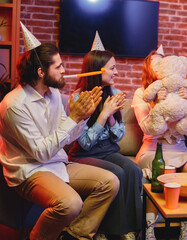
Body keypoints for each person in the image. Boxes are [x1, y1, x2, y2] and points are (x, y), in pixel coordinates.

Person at [0, 42, 119, 240]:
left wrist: (82, 118)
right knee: (71, 203)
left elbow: (65, 138)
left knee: (110, 182)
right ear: (41, 71)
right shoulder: (14, 106)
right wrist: (73, 118)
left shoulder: (53, 93)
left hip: (55, 163)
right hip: (29, 170)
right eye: (59, 66)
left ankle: (74, 235)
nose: (64, 70)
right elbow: (40, 153)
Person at [67, 50, 143, 240]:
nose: (116, 72)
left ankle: (130, 229)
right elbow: (84, 143)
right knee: (115, 173)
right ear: (96, 70)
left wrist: (110, 116)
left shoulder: (115, 93)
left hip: (108, 150)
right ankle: (108, 230)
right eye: (112, 68)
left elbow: (118, 137)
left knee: (133, 170)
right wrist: (103, 113)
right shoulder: (78, 98)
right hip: (84, 155)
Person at [131, 50, 187, 240]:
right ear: (149, 68)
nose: (160, 66)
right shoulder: (142, 93)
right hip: (152, 149)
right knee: (164, 170)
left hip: (179, 148)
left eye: (163, 62)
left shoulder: (184, 92)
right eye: (155, 63)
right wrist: (156, 104)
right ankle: (149, 227)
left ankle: (186, 225)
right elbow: (147, 129)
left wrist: (185, 104)